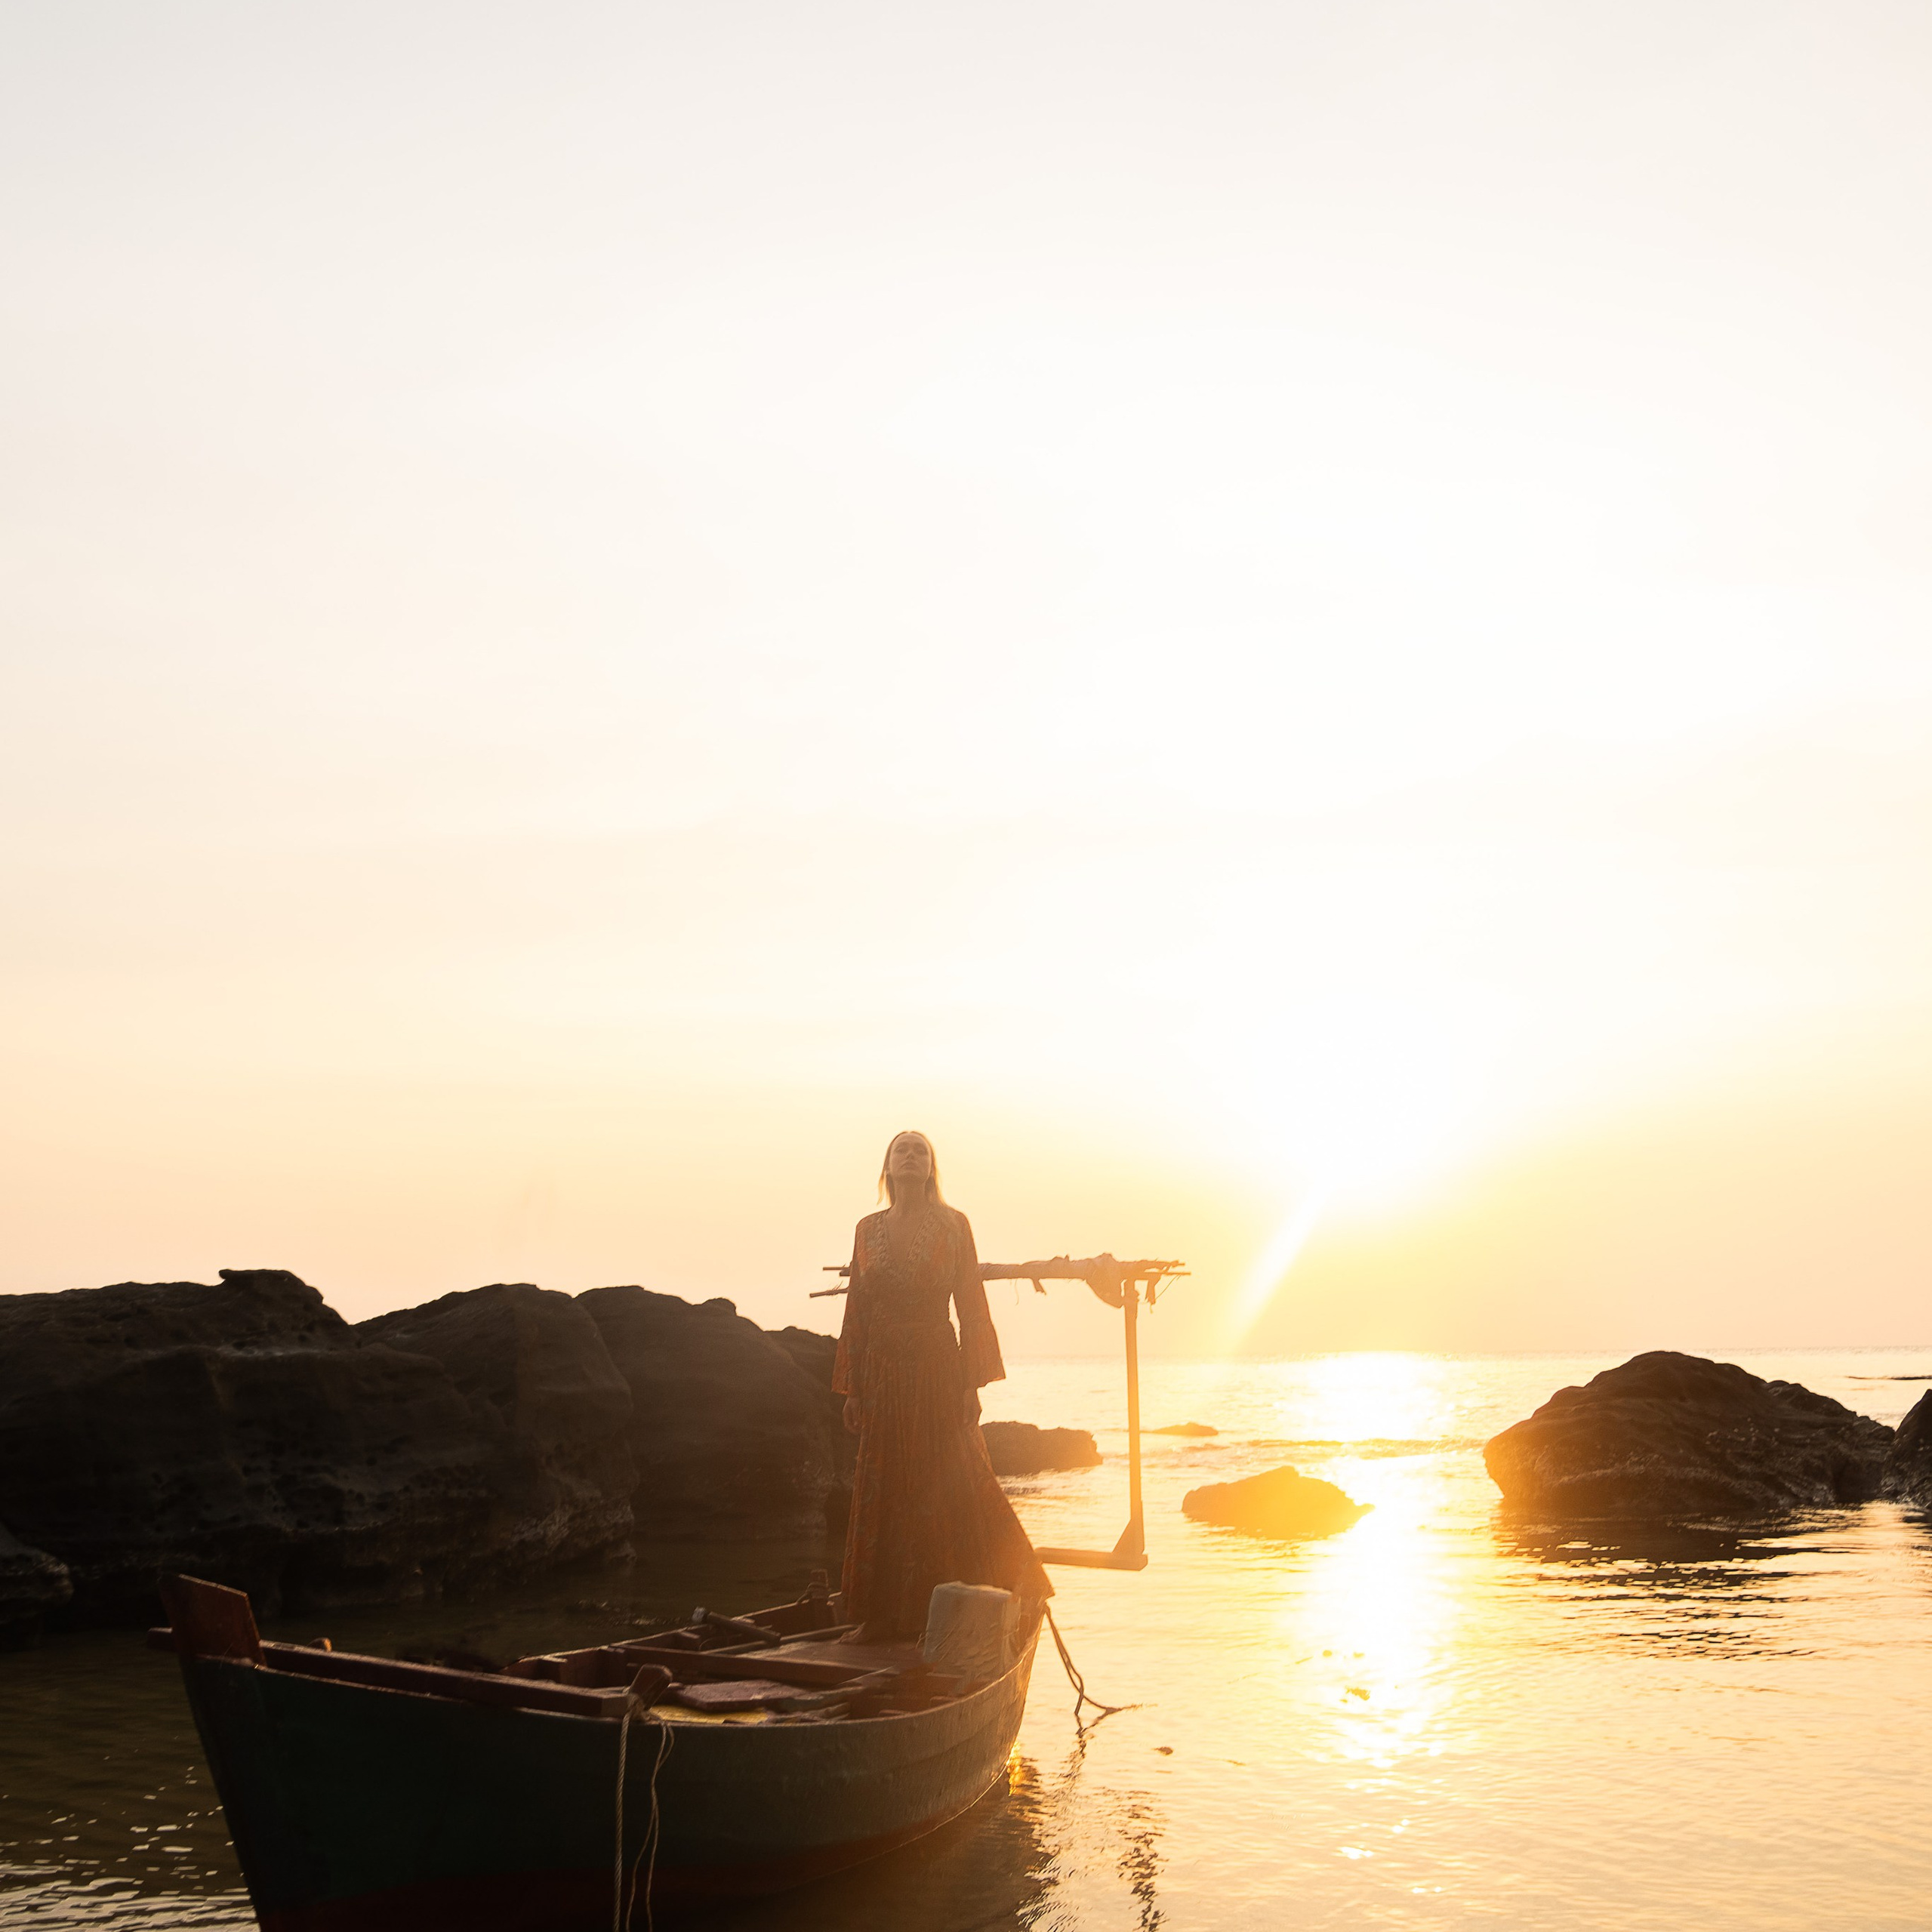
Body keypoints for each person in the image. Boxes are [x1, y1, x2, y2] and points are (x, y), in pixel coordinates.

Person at [832, 1130, 1051, 1644]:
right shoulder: (866, 1229)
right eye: (901, 1149)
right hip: (882, 1372)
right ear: (887, 1165)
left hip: (935, 1365)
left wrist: (971, 1382)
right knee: (882, 1489)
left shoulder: (954, 1225)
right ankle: (879, 1617)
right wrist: (853, 1390)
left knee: (952, 1480)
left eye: (920, 1150)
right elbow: (857, 1309)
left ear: (931, 1167)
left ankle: (1006, 1586)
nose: (910, 1155)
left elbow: (971, 1303)